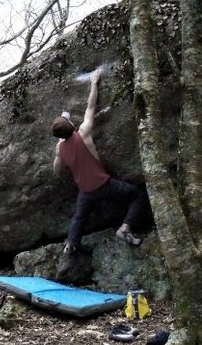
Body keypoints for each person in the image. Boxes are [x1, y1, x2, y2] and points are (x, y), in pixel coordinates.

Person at [51, 68, 147, 282]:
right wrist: (94, 82)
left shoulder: (61, 149)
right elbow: (90, 107)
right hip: (104, 184)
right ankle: (125, 228)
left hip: (85, 191)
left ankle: (70, 246)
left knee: (79, 218)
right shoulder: (83, 133)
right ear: (72, 126)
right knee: (137, 195)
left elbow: (57, 171)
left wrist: (58, 151)